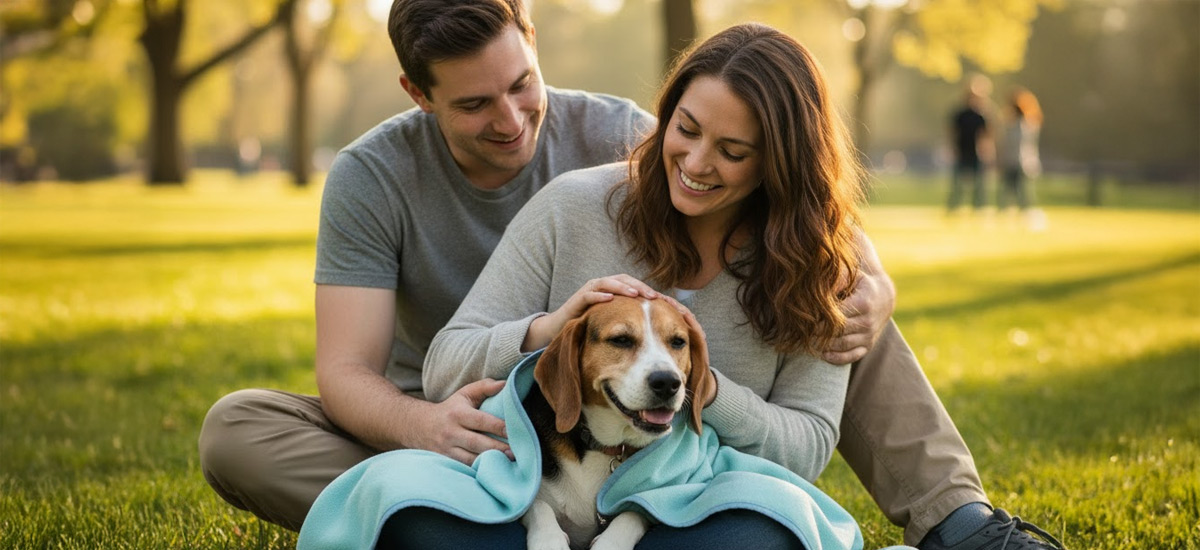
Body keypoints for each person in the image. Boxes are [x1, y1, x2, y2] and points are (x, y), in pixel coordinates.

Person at [198, 1, 1062, 549]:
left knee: (837, 304)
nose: (512, 120)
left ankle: (959, 522)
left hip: (660, 431)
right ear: (418, 95)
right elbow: (358, 371)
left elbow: (801, 200)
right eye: (474, 104)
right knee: (238, 429)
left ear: (535, 42)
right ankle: (462, 516)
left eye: (522, 85)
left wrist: (869, 277)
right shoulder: (394, 178)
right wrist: (436, 427)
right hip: (471, 417)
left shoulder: (630, 138)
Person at [947, 75, 994, 214]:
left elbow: (987, 135)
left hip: (977, 153)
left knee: (980, 184)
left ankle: (979, 207)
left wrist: (988, 151)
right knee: (957, 183)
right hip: (962, 151)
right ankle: (954, 206)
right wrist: (952, 148)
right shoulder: (960, 114)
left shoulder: (982, 115)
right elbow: (952, 132)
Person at [996, 87, 1043, 215]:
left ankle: (1024, 210)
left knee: (1022, 191)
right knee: (1008, 191)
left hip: (1022, 162)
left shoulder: (1026, 124)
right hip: (1013, 161)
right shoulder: (1011, 124)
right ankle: (1008, 210)